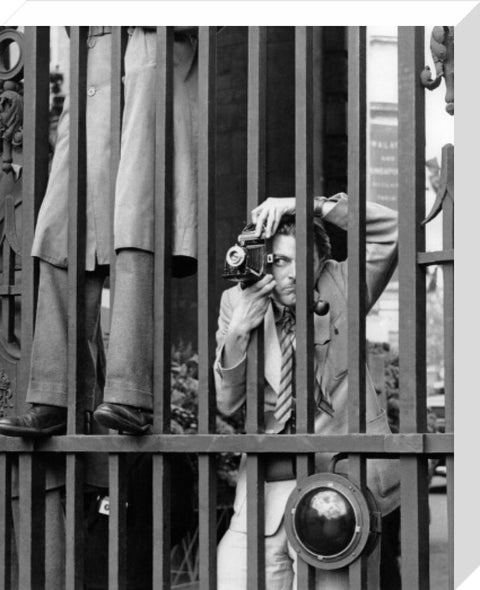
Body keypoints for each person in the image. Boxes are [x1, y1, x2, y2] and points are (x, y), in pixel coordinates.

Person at [0, 26, 198, 438]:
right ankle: (55, 397)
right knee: (61, 231)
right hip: (93, 73)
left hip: (148, 59)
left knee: (136, 224)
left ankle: (130, 394)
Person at [214, 193, 400, 589]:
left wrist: (306, 203)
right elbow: (228, 404)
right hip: (265, 490)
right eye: (280, 261)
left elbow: (392, 232)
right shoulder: (237, 300)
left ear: (319, 262)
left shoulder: (341, 284)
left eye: (302, 260)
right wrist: (238, 333)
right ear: (263, 262)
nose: (292, 274)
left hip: (341, 488)